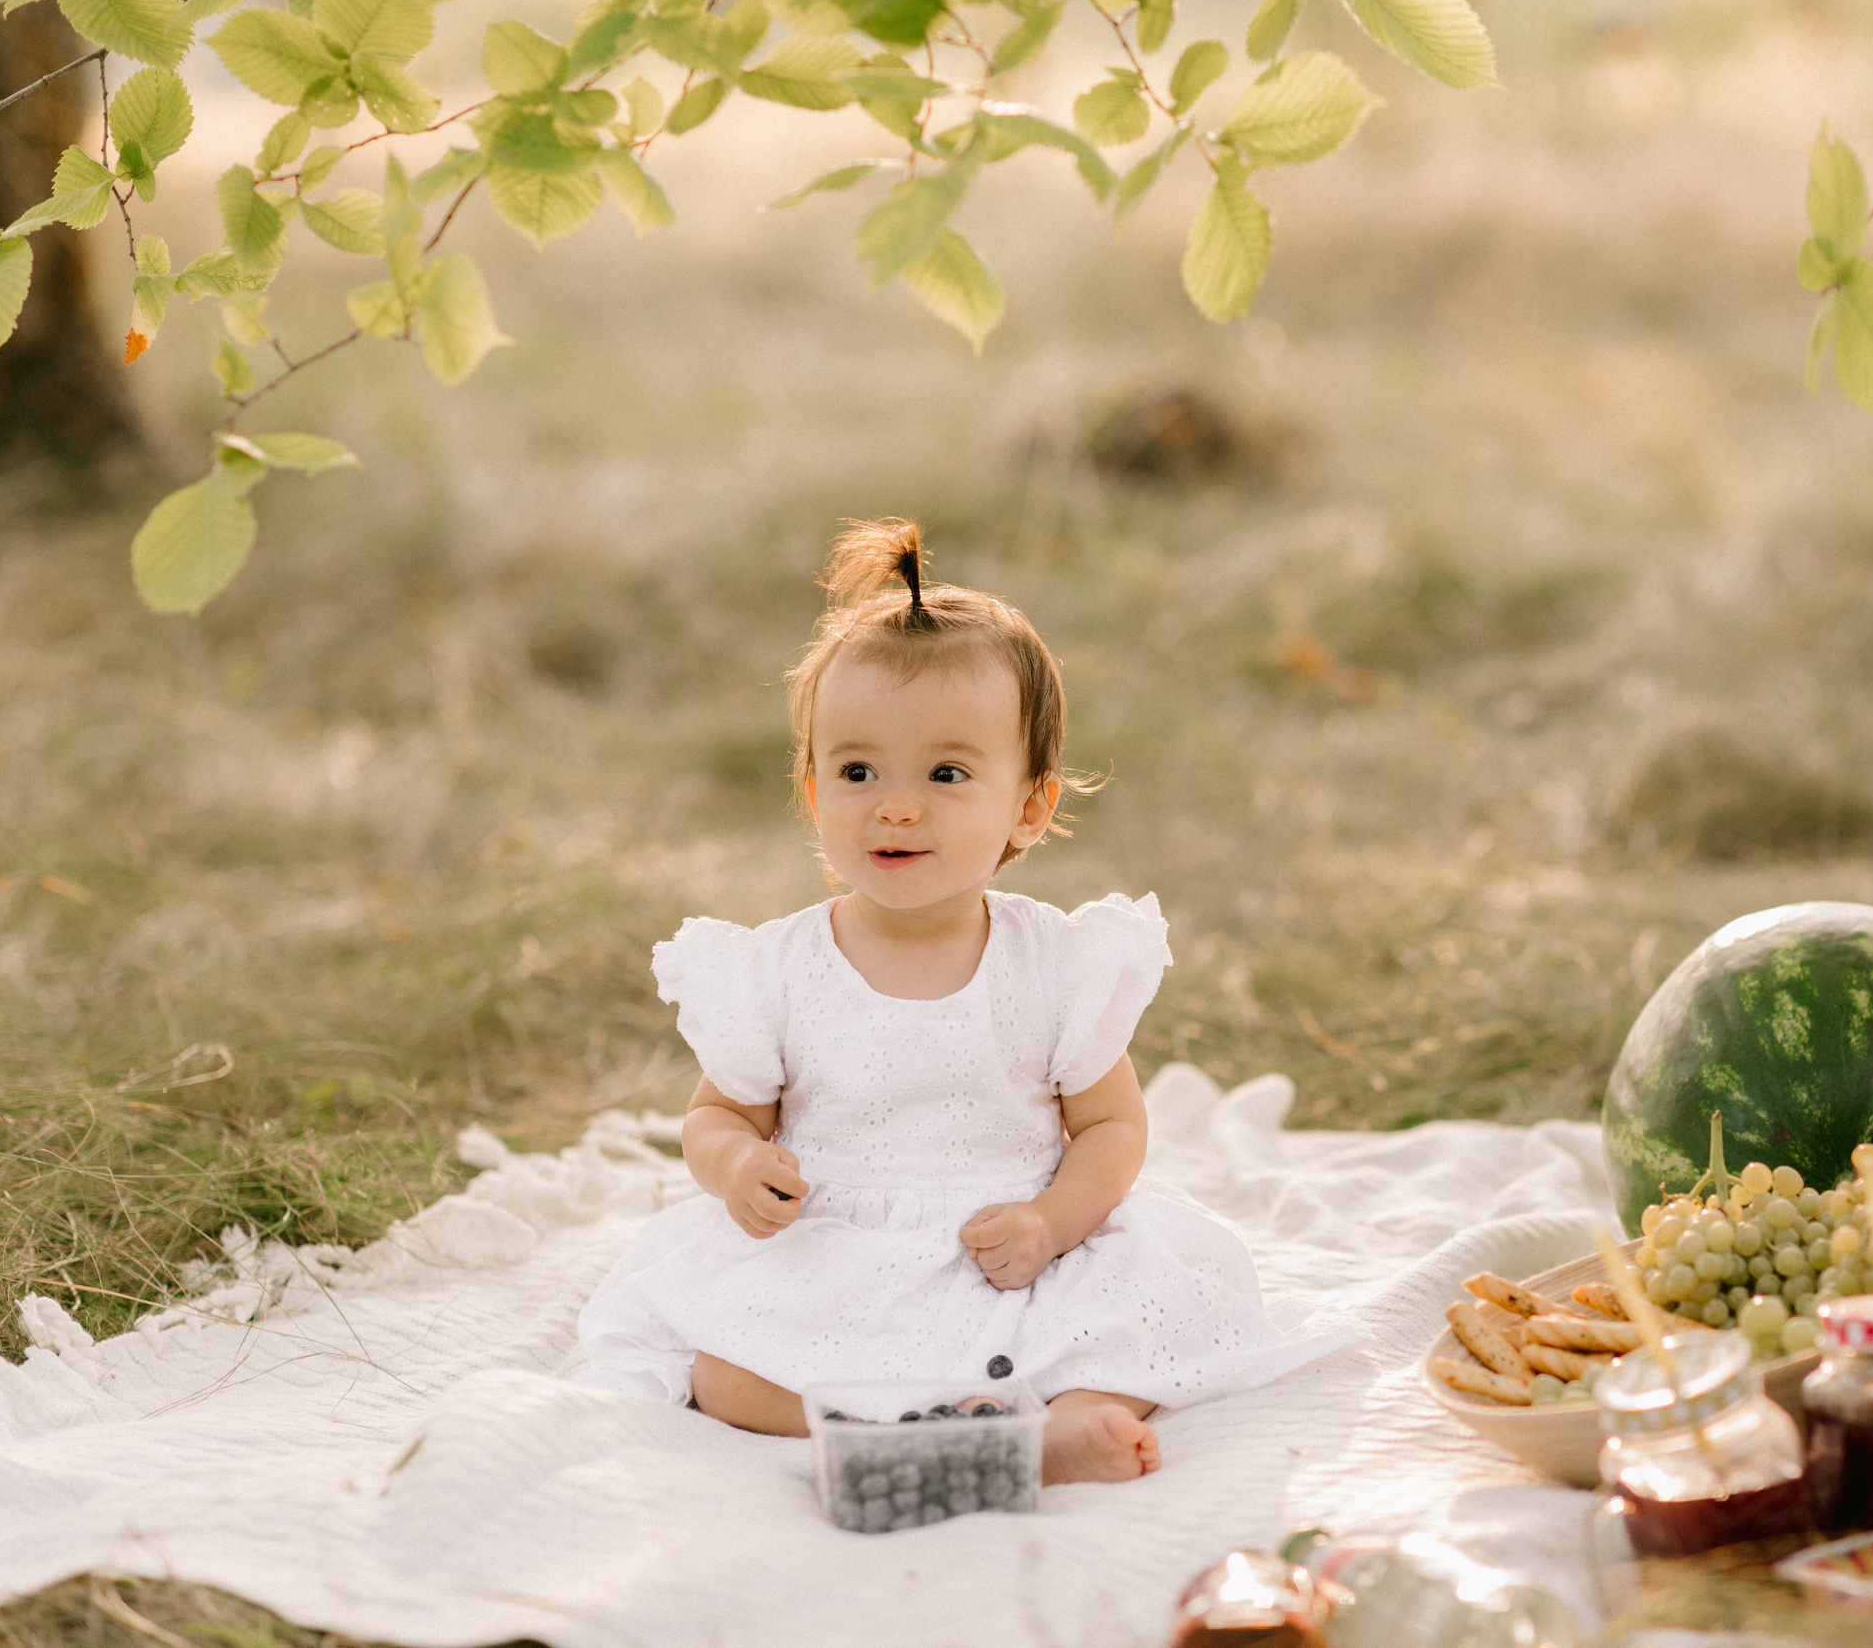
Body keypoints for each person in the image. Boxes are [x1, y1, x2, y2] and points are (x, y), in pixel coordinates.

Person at [575, 520, 1354, 1483]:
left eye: (946, 773)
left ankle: (1052, 1426)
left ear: (1028, 805)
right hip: (840, 1248)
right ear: (814, 793)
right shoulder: (778, 970)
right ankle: (944, 1440)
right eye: (858, 771)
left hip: (1012, 1237)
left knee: (1162, 1296)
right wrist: (736, 1165)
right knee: (723, 1368)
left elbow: (1111, 1124)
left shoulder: (1052, 965)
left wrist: (1055, 1222)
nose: (896, 805)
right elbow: (717, 1112)